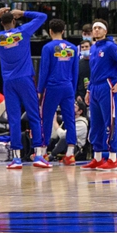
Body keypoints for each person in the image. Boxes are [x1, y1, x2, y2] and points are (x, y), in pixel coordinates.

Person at [0, 7, 49, 168]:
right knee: (34, 116)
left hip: (9, 82)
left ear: (1, 23)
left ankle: (16, 158)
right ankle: (38, 155)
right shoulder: (23, 32)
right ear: (14, 21)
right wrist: (23, 13)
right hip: (25, 79)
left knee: (14, 119)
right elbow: (42, 16)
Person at [83, 20, 117, 170]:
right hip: (95, 87)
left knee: (110, 122)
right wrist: (89, 90)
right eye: (94, 28)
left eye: (99, 28)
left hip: (107, 86)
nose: (96, 30)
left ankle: (113, 157)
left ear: (105, 31)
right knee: (95, 123)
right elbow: (93, 71)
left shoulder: (110, 46)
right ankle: (97, 157)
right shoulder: (92, 48)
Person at [37, 18, 79, 166]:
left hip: (52, 87)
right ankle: (70, 154)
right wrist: (72, 90)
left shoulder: (48, 48)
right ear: (63, 31)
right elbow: (75, 72)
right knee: (70, 120)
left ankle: (43, 153)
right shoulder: (73, 48)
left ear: (50, 31)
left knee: (47, 119)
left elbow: (44, 71)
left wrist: (39, 90)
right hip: (67, 87)